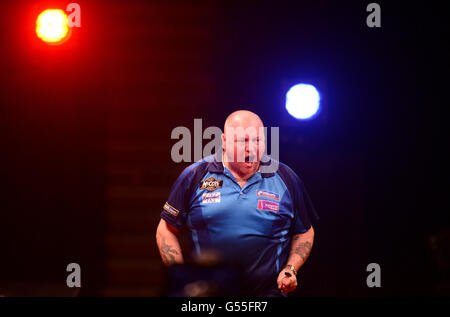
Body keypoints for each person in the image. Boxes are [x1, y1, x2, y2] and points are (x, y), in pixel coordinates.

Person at [156, 110, 318, 296]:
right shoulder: (195, 176)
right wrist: (182, 276)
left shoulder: (286, 178)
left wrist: (291, 268)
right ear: (224, 141)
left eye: (257, 140)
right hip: (208, 295)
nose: (250, 148)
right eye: (242, 141)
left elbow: (304, 232)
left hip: (267, 294)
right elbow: (166, 229)